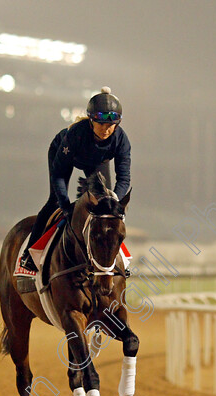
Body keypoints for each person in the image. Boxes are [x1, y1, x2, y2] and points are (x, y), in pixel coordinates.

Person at [18, 86, 131, 274]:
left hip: (97, 161)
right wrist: (65, 206)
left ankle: (119, 261)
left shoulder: (121, 140)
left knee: (109, 212)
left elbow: (124, 178)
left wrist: (114, 202)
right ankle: (30, 256)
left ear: (117, 124)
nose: (106, 129)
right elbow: (59, 174)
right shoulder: (76, 134)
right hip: (66, 154)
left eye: (111, 125)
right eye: (100, 123)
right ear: (91, 121)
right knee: (54, 202)